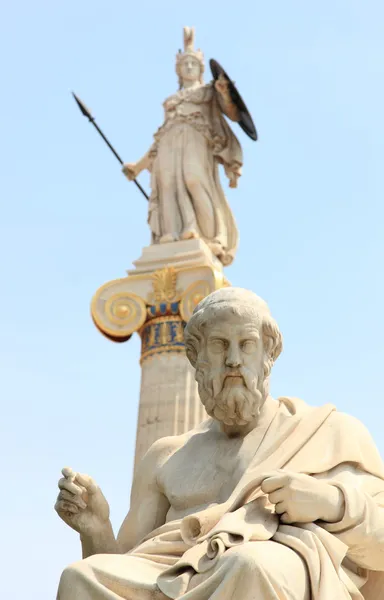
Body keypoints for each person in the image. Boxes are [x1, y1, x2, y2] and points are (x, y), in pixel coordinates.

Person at [55, 287, 384, 599]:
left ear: (269, 356)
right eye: (219, 344)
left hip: (266, 565)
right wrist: (95, 530)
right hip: (176, 571)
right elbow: (127, 563)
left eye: (247, 344)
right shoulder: (166, 457)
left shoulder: (327, 433)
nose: (234, 360)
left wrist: (332, 503)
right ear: (196, 358)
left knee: (247, 564)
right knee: (80, 576)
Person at [123, 28, 243, 266]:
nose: (189, 67)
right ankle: (172, 233)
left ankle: (211, 238)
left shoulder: (208, 91)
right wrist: (138, 167)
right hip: (170, 142)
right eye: (185, 64)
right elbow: (159, 139)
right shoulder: (171, 101)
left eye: (193, 64)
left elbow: (233, 113)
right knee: (167, 184)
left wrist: (225, 93)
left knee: (194, 180)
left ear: (200, 69)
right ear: (178, 70)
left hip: (196, 139)